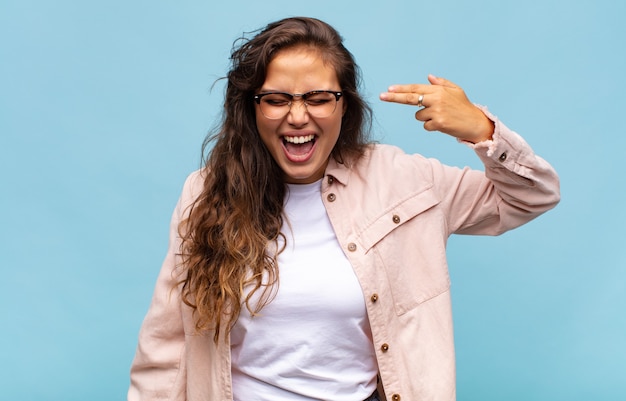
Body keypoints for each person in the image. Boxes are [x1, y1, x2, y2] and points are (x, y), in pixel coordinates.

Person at [128, 16, 560, 401]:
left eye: (317, 97)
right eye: (277, 99)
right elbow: (166, 346)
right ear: (252, 109)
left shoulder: (404, 181)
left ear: (344, 105)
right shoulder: (206, 192)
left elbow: (533, 195)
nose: (297, 116)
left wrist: (483, 130)